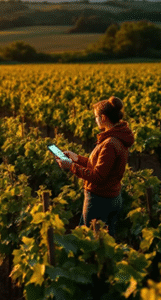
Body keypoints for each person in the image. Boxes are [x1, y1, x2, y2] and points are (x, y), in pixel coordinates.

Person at [55, 96, 134, 237]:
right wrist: (77, 158)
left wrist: (71, 166)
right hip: (112, 197)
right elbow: (101, 167)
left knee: (90, 241)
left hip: (100, 201)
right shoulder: (118, 137)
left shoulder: (110, 143)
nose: (95, 120)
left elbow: (98, 177)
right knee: (105, 241)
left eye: (96, 117)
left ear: (103, 118)